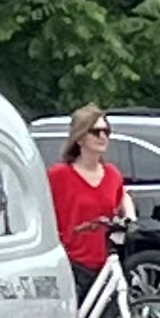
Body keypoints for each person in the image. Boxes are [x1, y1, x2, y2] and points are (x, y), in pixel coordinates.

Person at [47, 104, 135, 301]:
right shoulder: (59, 175)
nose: (103, 136)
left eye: (106, 131)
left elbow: (122, 195)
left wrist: (130, 218)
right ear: (80, 138)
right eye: (96, 132)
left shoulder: (112, 174)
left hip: (105, 264)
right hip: (71, 264)